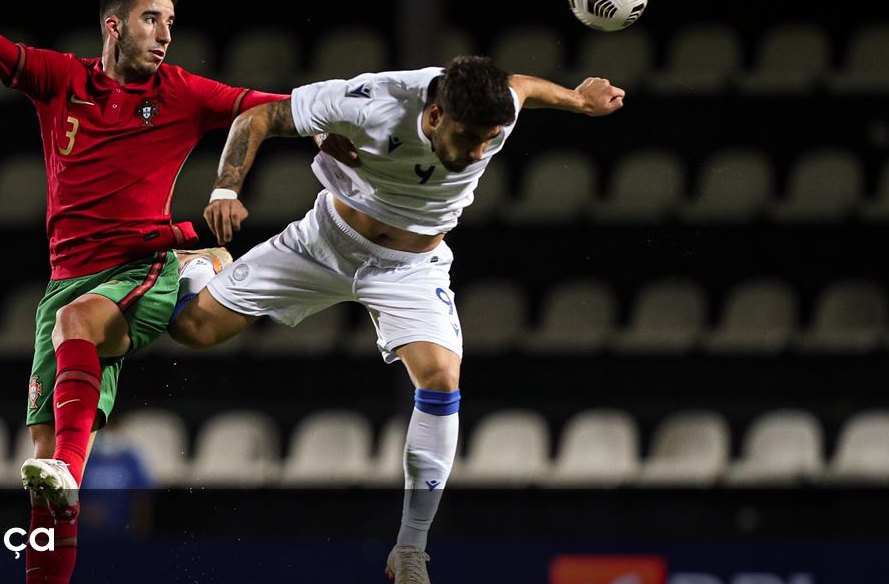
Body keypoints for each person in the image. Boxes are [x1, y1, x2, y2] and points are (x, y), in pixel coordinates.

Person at [0, 0, 353, 583]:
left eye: (171, 21)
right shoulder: (62, 81)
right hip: (65, 282)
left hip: (139, 266)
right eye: (151, 19)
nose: (166, 34)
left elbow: (269, 106)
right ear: (114, 26)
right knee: (39, 469)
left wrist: (332, 123)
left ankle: (199, 276)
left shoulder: (182, 92)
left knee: (78, 339)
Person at [169, 56, 625, 583]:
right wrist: (226, 189)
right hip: (325, 244)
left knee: (441, 376)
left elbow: (522, 85)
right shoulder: (373, 100)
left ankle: (410, 548)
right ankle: (206, 264)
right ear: (433, 116)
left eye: (489, 138)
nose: (479, 152)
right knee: (193, 331)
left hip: (410, 267)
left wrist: (576, 97)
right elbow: (258, 118)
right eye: (469, 137)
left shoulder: (497, 109)